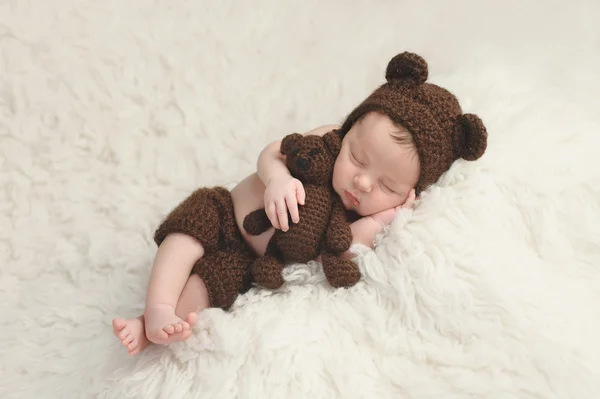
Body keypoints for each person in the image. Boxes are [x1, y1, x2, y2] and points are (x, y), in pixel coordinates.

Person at [112, 51, 488, 356]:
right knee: (186, 237)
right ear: (349, 128)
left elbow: (352, 243)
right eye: (357, 158)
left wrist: (389, 215)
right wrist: (277, 178)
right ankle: (156, 307)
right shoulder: (326, 139)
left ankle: (153, 330)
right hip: (227, 212)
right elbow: (273, 152)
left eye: (388, 186)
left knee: (207, 285)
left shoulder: (362, 212)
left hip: (251, 260)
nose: (362, 182)